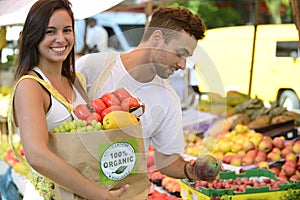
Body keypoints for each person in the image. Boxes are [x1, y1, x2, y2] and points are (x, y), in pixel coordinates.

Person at [10, 0, 128, 199]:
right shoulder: (30, 86)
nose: (61, 39)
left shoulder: (76, 81)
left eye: (67, 30)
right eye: (50, 31)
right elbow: (37, 156)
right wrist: (99, 195)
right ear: (34, 35)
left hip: (81, 192)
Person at [76, 6, 207, 181]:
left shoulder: (168, 98)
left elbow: (166, 160)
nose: (182, 65)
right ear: (157, 38)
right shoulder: (92, 67)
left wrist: (190, 171)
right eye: (179, 54)